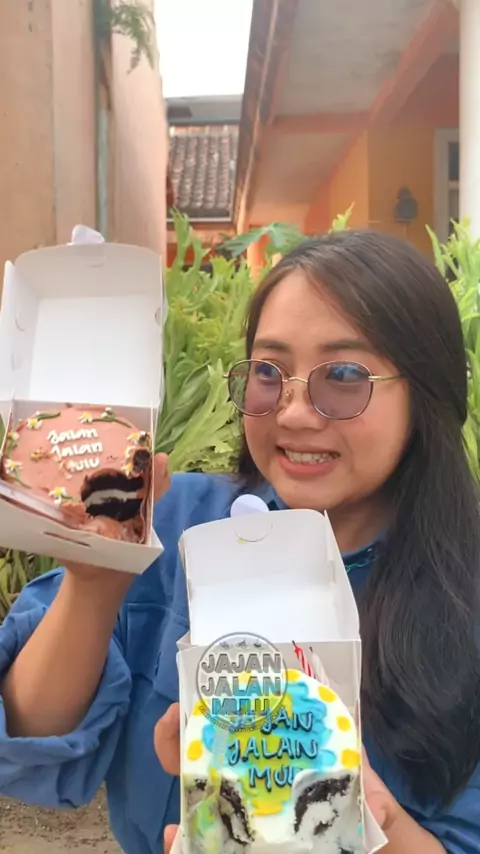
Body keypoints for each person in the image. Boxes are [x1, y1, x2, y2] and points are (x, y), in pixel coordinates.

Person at [0, 230, 479, 854]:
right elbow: (33, 740)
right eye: (268, 372)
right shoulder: (175, 521)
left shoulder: (465, 592)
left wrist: (351, 814)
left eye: (343, 375)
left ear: (428, 390)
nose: (295, 412)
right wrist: (96, 581)